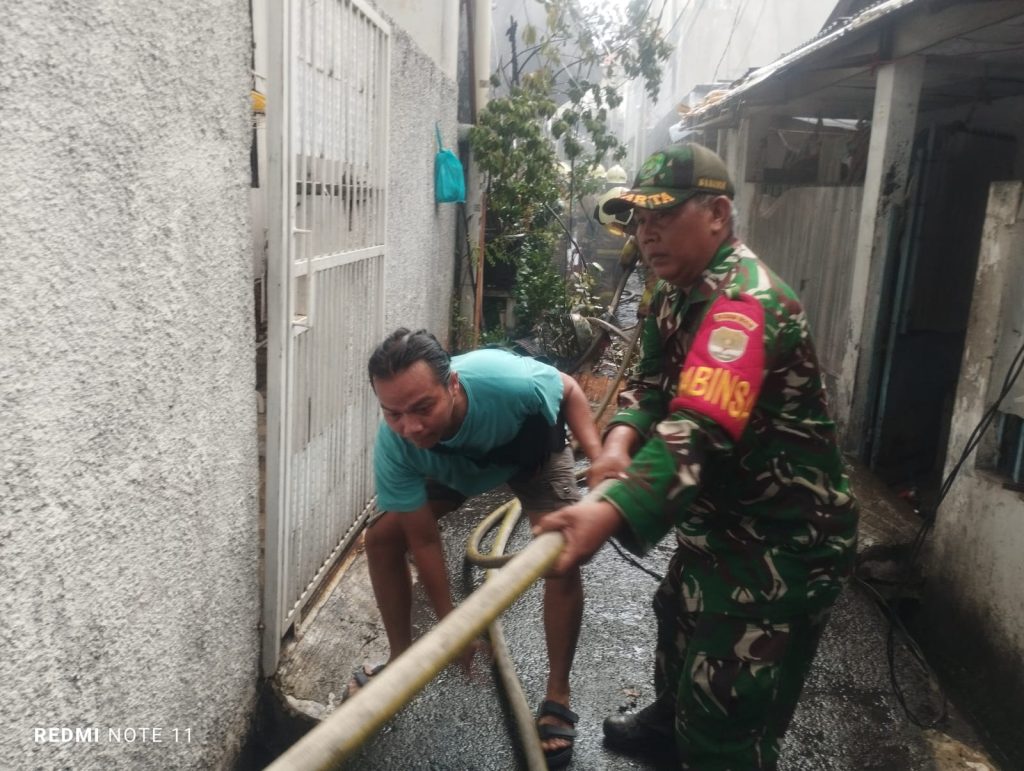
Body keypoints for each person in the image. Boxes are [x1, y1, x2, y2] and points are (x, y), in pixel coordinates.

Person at [534, 143, 858, 770]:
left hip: (783, 540)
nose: (646, 234)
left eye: (664, 216)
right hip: (719, 523)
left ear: (717, 213)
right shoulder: (669, 294)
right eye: (637, 220)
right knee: (677, 625)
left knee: (729, 712)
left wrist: (606, 513)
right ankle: (668, 727)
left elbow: (698, 429)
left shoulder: (746, 304)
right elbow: (653, 388)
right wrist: (620, 443)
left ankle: (710, 744)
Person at [355, 328, 602, 768]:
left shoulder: (505, 381)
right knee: (381, 538)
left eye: (422, 407)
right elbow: (424, 539)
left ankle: (558, 694)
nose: (409, 426)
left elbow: (569, 389)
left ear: (452, 385)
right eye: (393, 413)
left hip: (532, 455)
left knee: (559, 557)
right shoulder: (398, 444)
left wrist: (599, 460)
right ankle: (400, 658)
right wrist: (453, 627)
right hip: (456, 470)